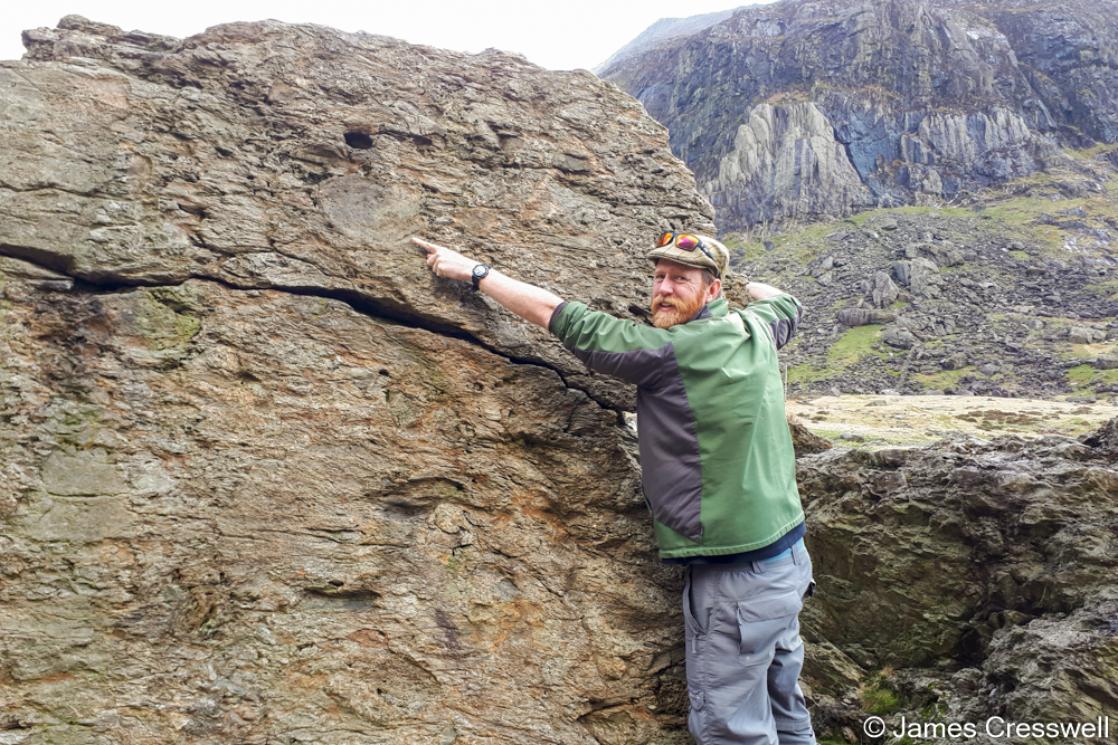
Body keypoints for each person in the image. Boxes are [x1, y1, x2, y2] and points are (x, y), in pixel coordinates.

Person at [413, 232, 816, 745]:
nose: (664, 290)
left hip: (735, 577)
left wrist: (474, 272)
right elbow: (784, 302)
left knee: (732, 727)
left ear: (712, 291)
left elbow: (562, 316)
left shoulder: (671, 350)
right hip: (787, 563)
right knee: (784, 707)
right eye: (659, 278)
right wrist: (748, 287)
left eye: (681, 280)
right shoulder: (755, 327)